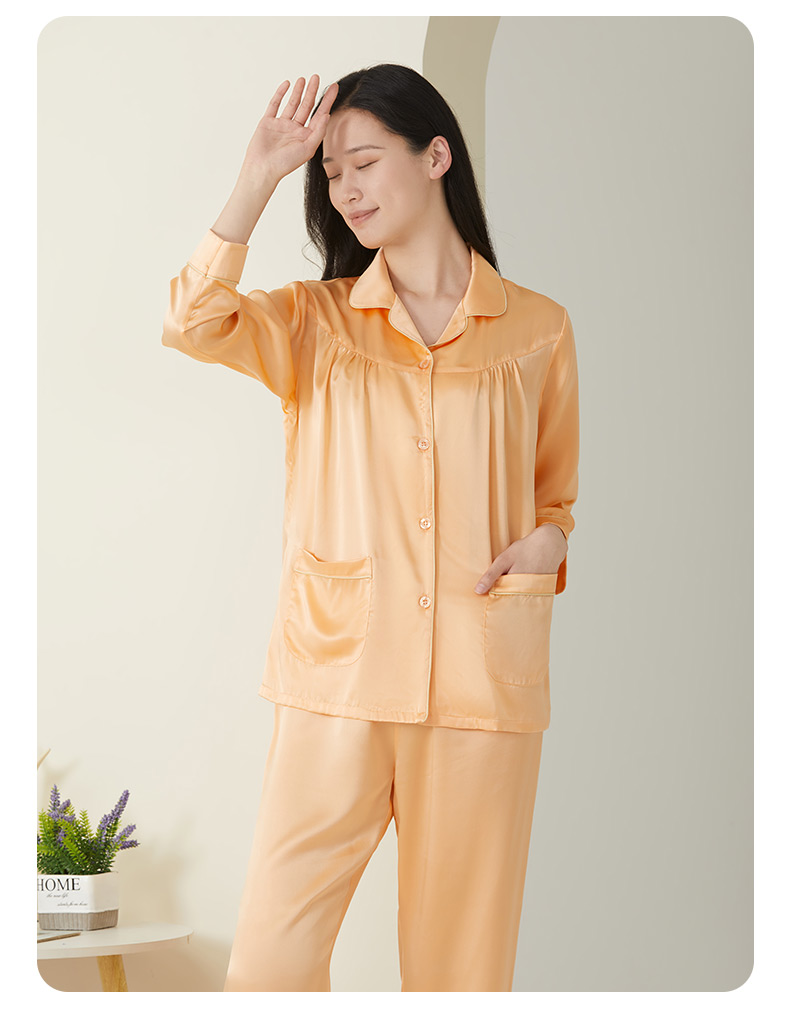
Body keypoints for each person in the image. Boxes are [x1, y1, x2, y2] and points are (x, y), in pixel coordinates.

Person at [162, 64, 579, 993]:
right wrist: (260, 174)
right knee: (269, 963)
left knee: (461, 974)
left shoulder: (540, 331)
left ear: (436, 156)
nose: (345, 189)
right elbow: (193, 321)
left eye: (363, 163)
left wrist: (550, 543)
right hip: (337, 678)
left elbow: (556, 499)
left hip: (480, 687)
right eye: (331, 174)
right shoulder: (316, 323)